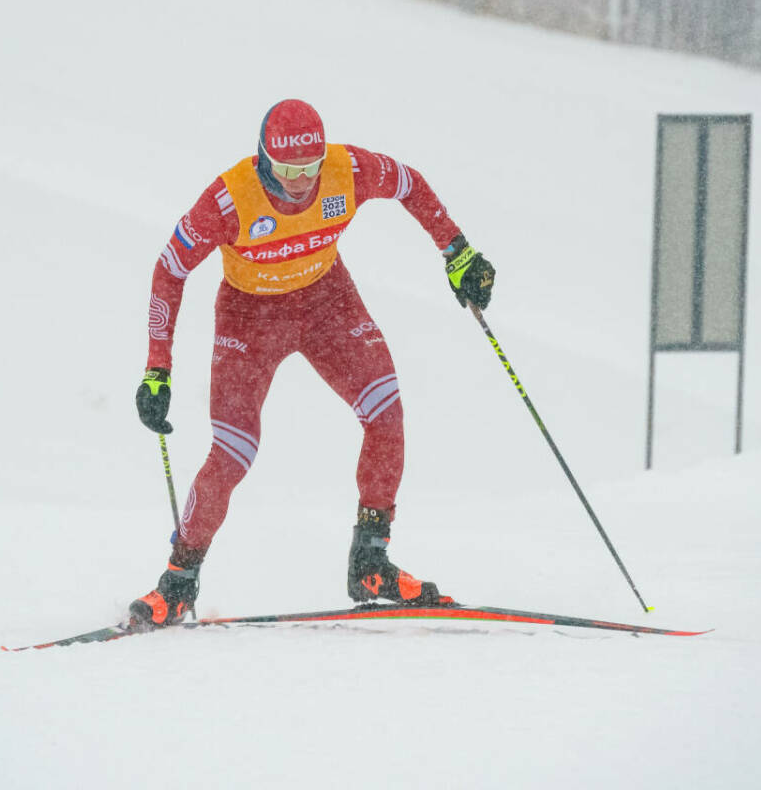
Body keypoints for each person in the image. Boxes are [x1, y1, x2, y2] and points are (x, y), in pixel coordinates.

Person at [130, 99, 495, 626]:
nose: (300, 183)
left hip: (326, 302)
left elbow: (409, 184)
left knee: (385, 414)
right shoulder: (230, 199)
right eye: (286, 171)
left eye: (309, 169)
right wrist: (157, 368)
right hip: (249, 318)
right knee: (234, 451)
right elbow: (170, 269)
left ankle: (370, 560)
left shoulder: (347, 170)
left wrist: (458, 251)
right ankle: (179, 579)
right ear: (262, 161)